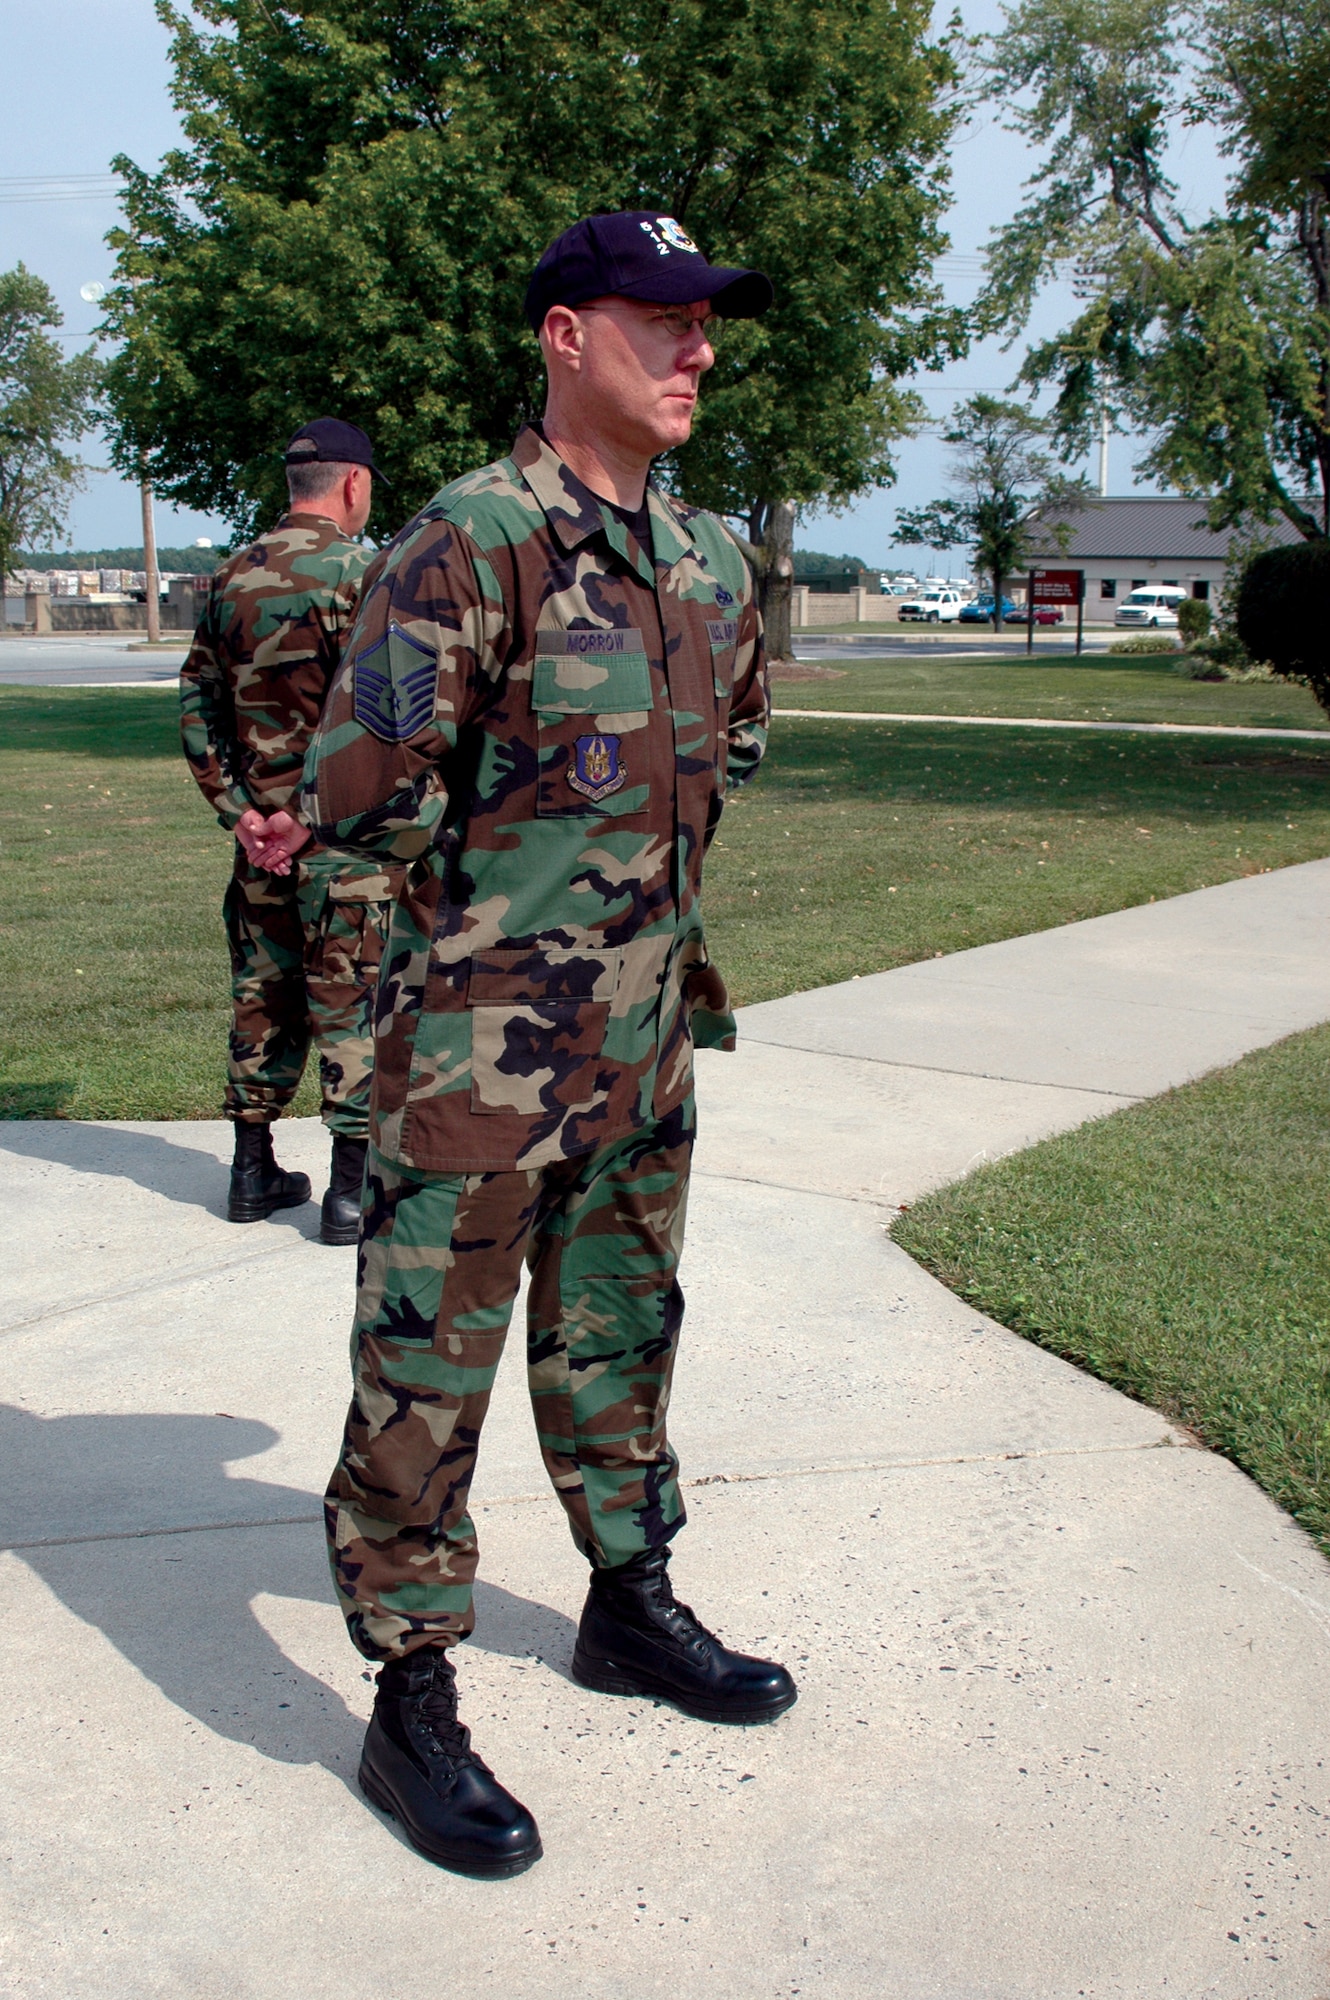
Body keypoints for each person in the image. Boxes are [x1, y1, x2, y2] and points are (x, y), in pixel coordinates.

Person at [302, 210, 796, 1882]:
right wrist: (386, 1042)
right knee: (423, 1381)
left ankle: (627, 1602)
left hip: (644, 1037)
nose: (697, 348)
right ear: (567, 338)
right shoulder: (469, 542)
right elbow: (357, 809)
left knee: (622, 1332)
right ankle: (410, 1694)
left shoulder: (708, 559)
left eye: (705, 323)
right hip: (473, 1065)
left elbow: (728, 747)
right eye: (662, 319)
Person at [181, 417, 398, 1245]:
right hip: (342, 846)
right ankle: (348, 1193)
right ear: (354, 483)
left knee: (261, 994)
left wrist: (239, 811)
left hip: (259, 848)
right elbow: (383, 716)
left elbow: (197, 704)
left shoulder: (230, 578)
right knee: (352, 1000)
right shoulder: (365, 574)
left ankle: (250, 1171)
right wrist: (307, 819)